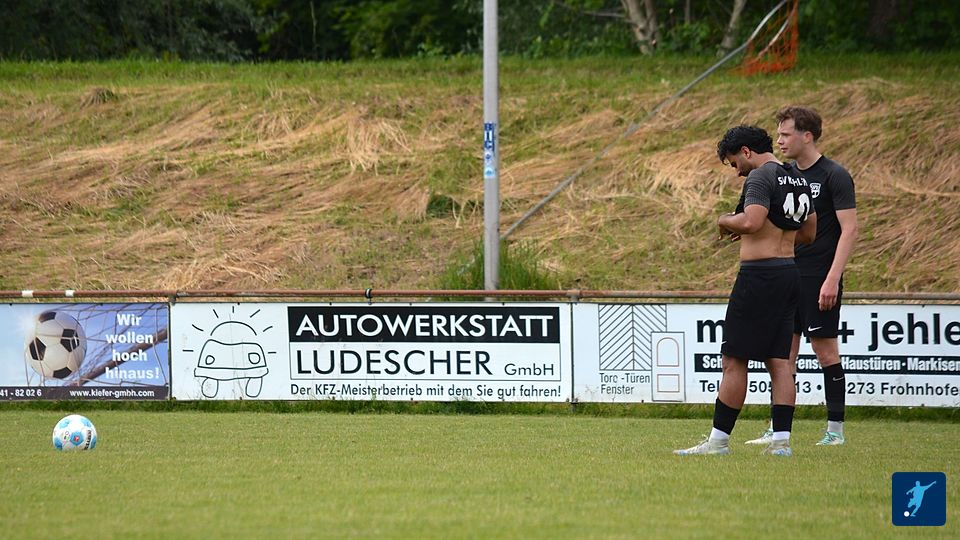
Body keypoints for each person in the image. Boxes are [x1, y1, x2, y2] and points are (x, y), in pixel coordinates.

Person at [674, 125, 816, 457]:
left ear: (747, 152)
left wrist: (725, 220)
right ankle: (781, 443)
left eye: (734, 162)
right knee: (779, 361)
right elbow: (809, 232)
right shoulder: (797, 177)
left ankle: (718, 442)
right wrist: (775, 234)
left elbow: (751, 222)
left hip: (760, 276)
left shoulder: (760, 176)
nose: (737, 171)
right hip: (788, 273)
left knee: (734, 359)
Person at [745, 107, 857, 447]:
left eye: (786, 134)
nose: (779, 141)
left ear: (807, 136)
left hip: (818, 276)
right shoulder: (784, 175)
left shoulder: (834, 175)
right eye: (778, 134)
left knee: (825, 352)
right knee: (782, 355)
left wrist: (832, 278)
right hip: (786, 274)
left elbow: (850, 230)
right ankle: (777, 429)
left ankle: (835, 431)